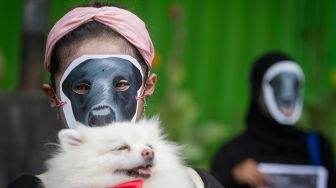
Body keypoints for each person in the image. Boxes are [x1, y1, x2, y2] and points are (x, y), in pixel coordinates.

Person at [7, 3, 224, 188]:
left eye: (121, 84)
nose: (102, 108)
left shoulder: (197, 183)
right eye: (82, 87)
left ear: (147, 86)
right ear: (53, 96)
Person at [210, 52, 336, 188]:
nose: (287, 97)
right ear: (258, 91)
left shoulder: (316, 147)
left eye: (292, 85)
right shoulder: (232, 153)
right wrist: (232, 176)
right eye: (279, 84)